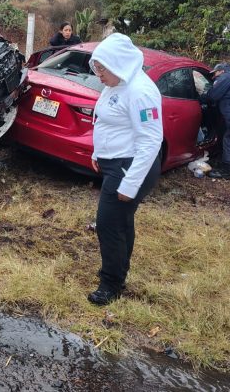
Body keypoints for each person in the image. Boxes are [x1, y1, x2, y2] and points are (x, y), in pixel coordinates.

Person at [88, 33, 163, 306]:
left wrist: (130, 185)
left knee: (108, 224)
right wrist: (99, 153)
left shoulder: (141, 92)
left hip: (130, 168)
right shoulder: (115, 85)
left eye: (102, 68)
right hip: (114, 163)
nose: (98, 74)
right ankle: (118, 272)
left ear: (119, 64)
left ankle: (111, 284)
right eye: (96, 68)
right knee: (121, 222)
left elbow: (151, 140)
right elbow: (107, 122)